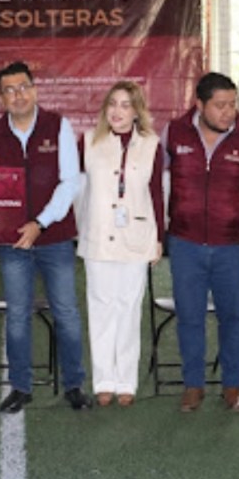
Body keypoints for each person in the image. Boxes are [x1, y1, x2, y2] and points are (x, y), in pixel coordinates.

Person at [0, 61, 92, 413]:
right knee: (17, 315)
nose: (18, 95)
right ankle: (21, 387)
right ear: (1, 98)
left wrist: (39, 223)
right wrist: (8, 226)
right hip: (13, 242)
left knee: (66, 312)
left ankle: (74, 385)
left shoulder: (58, 126)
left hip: (55, 238)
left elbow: (69, 181)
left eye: (23, 87)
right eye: (9, 90)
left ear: (35, 89)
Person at [164, 71, 239, 413]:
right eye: (220, 105)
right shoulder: (173, 132)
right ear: (200, 105)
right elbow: (152, 177)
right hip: (185, 244)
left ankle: (232, 386)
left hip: (231, 246)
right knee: (189, 318)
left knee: (233, 318)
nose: (228, 112)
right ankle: (193, 386)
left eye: (232, 105)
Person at [76, 81, 164, 407]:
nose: (117, 111)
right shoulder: (88, 142)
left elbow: (156, 194)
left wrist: (159, 238)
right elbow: (75, 189)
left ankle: (126, 380)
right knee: (101, 307)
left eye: (126, 105)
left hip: (136, 237)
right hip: (98, 236)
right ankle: (104, 380)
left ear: (137, 111)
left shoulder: (152, 145)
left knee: (128, 307)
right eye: (113, 103)